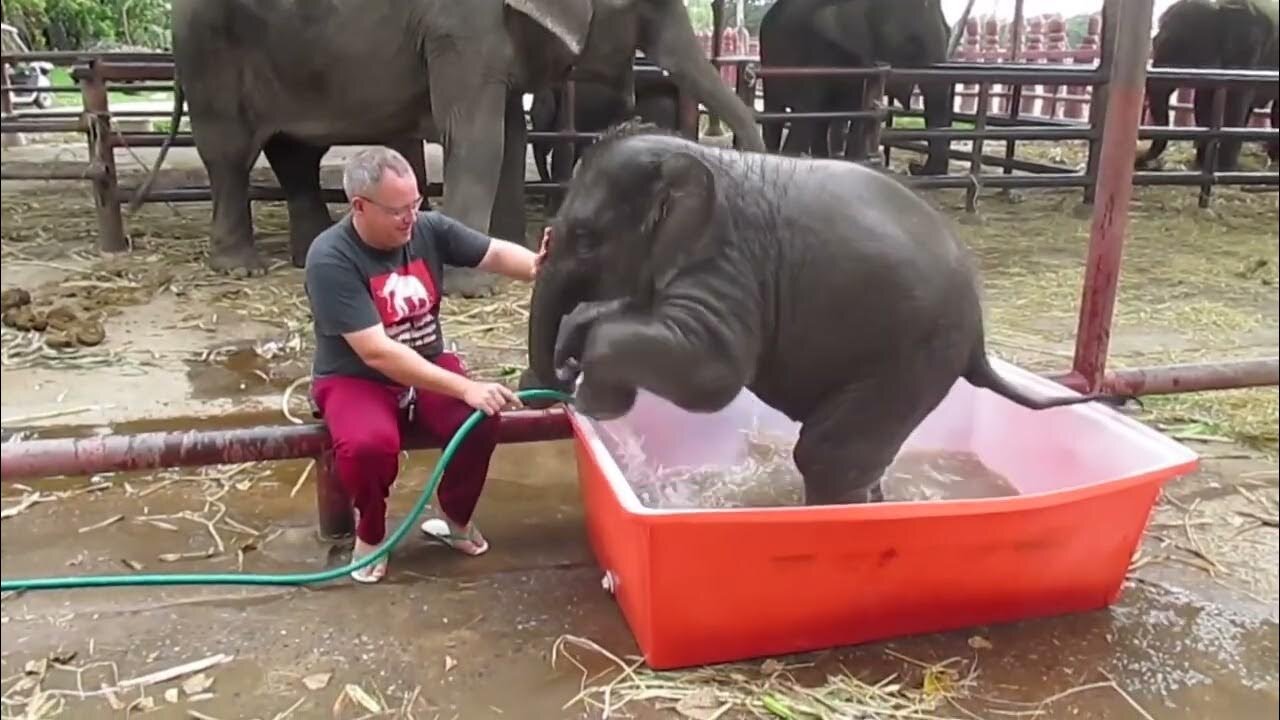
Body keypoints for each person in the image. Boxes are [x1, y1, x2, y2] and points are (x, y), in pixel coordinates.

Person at [304, 146, 546, 584]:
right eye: (397, 210)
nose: (409, 218)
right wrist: (462, 386)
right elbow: (376, 351)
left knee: (479, 419)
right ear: (359, 206)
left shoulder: (427, 228)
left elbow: (492, 254)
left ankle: (454, 518)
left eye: (415, 204)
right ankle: (372, 534)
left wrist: (539, 266)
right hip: (357, 376)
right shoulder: (330, 257)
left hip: (427, 360)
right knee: (368, 446)